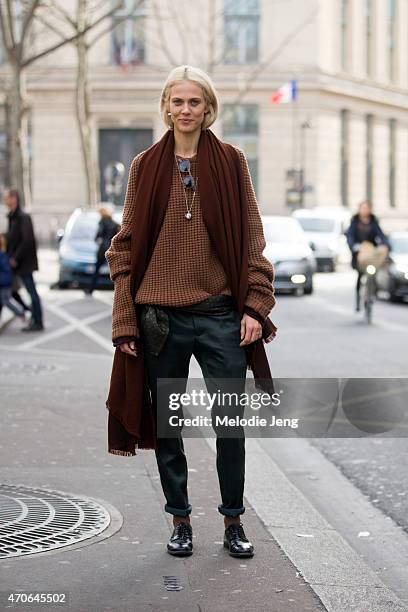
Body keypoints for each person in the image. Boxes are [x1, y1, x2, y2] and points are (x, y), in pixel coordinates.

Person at [105, 65, 277, 559]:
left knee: (230, 426)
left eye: (194, 102)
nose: (185, 110)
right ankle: (179, 520)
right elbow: (125, 248)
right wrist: (125, 321)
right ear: (166, 107)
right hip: (161, 320)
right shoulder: (145, 165)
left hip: (222, 316)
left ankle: (232, 522)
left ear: (208, 109)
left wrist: (253, 306)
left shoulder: (231, 161)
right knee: (168, 428)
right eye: (177, 102)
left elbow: (252, 239)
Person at [3, 188, 44, 331]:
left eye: (7, 197)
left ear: (14, 199)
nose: (5, 200)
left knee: (31, 291)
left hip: (24, 262)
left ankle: (37, 321)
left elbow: (27, 240)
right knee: (9, 290)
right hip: (14, 262)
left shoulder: (23, 217)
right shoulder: (12, 216)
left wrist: (15, 257)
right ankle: (30, 313)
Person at [346, 200, 390, 311]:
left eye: (367, 208)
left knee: (373, 274)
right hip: (359, 255)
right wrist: (354, 246)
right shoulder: (355, 222)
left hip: (371, 255)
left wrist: (385, 245)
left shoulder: (373, 222)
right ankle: (358, 300)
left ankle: (372, 295)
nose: (365, 210)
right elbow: (350, 236)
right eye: (363, 208)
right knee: (360, 276)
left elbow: (381, 235)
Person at [85, 206, 120, 296]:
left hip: (102, 250)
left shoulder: (102, 222)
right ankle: (118, 290)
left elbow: (97, 236)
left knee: (97, 270)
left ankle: (90, 290)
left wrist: (99, 242)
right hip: (112, 248)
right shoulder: (115, 223)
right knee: (115, 270)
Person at [0, 233, 26, 322]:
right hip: (5, 282)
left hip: (4, 282)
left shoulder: (2, 255)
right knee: (4, 301)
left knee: (5, 301)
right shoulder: (4, 254)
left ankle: (21, 313)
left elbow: (6, 268)